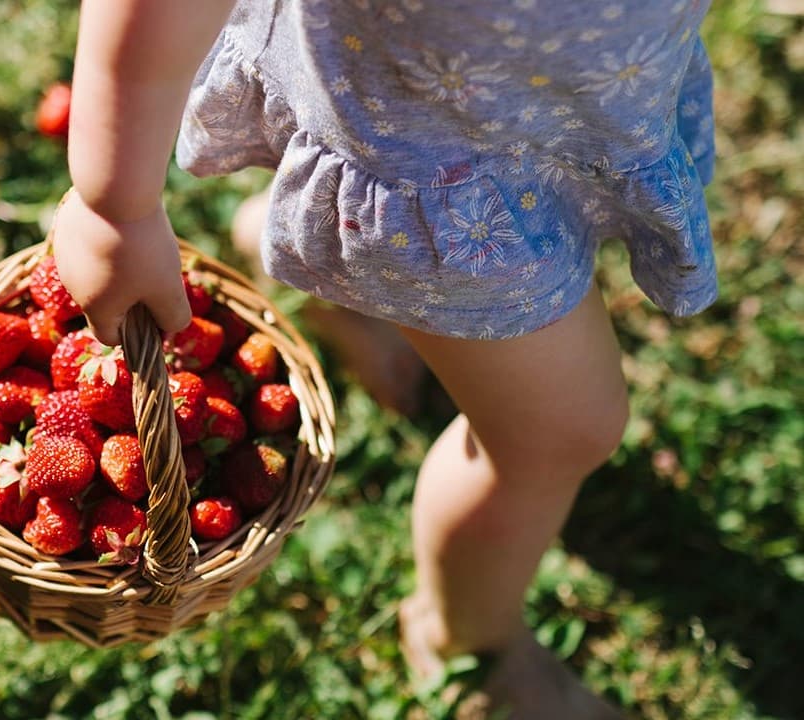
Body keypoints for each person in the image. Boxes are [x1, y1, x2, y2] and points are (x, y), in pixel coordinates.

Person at [52, 1, 717, 717]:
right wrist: (113, 205)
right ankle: (466, 643)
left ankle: (343, 283)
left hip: (562, 96)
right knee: (559, 435)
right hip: (435, 160)